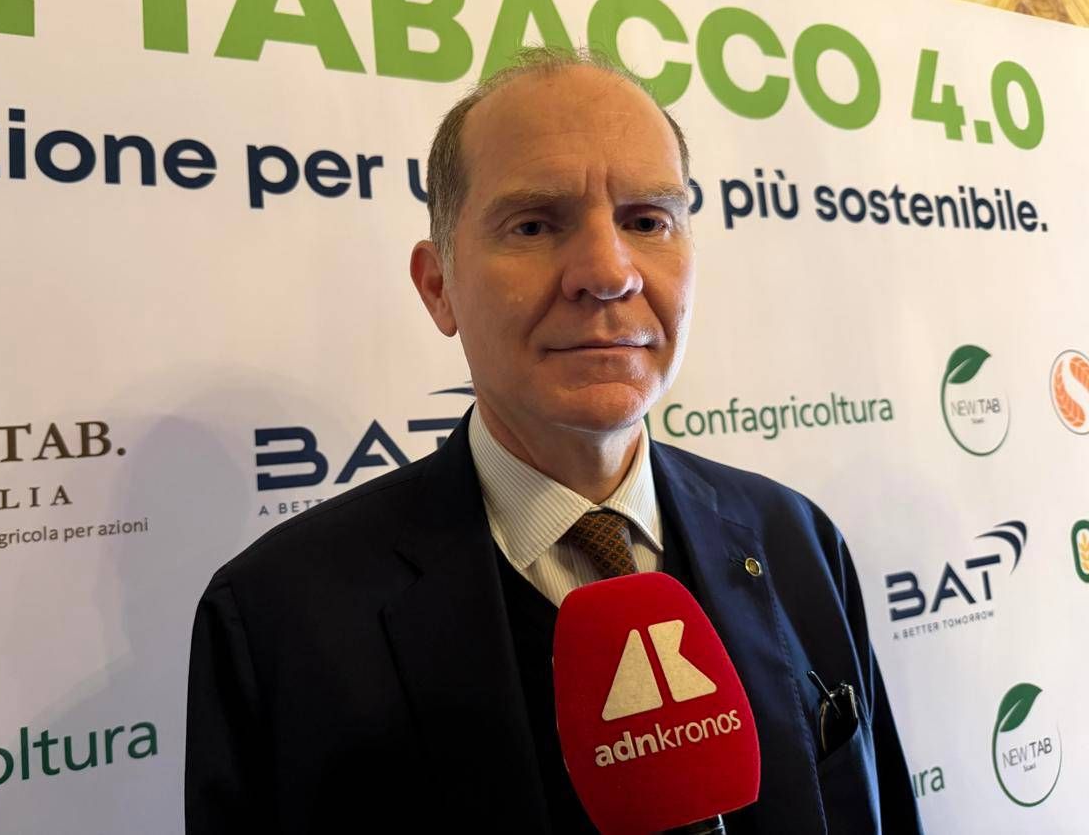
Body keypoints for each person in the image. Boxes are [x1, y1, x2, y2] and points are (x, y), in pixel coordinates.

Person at [185, 48, 923, 834]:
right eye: (534, 225)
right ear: (439, 287)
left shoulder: (796, 540)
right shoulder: (275, 621)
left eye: (647, 221)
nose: (607, 273)